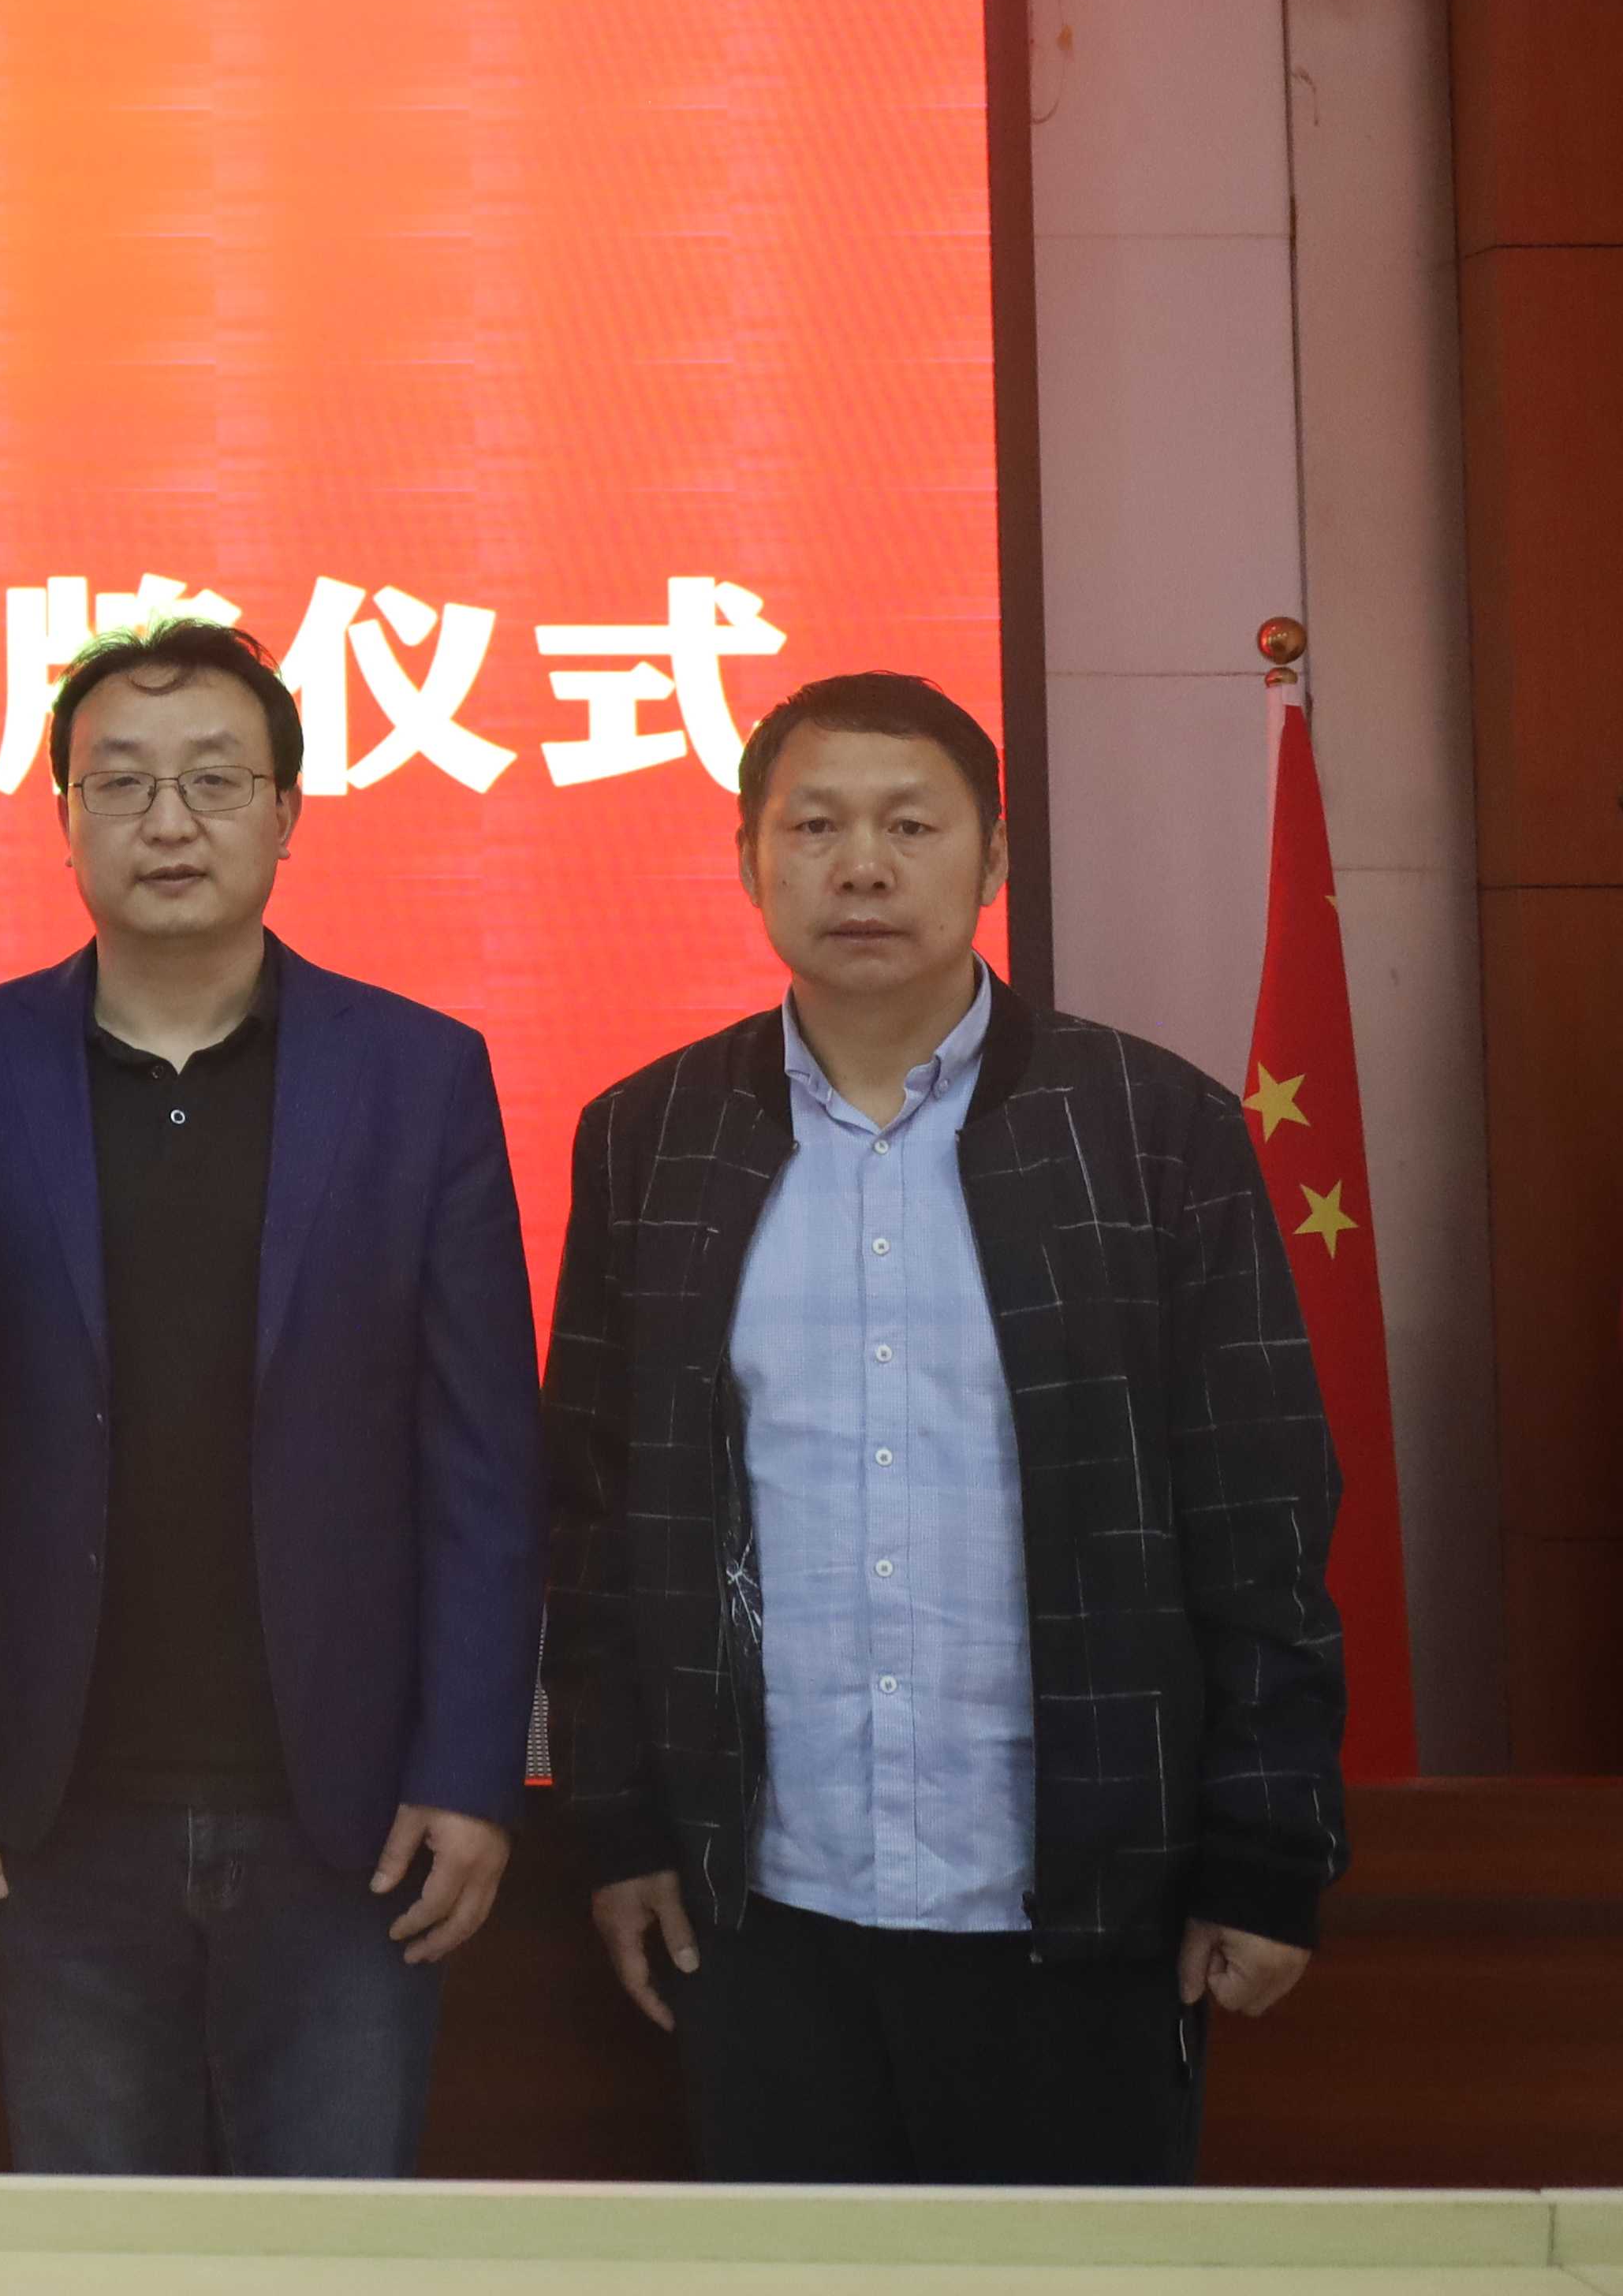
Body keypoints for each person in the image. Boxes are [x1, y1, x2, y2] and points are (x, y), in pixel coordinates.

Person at [545, 671, 1349, 2183]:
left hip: (1088, 1903)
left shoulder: (1152, 1129)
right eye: (816, 828)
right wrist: (623, 1829)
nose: (862, 867)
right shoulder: (651, 1138)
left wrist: (1267, 1848)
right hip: (763, 1907)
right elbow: (595, 1519)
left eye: (911, 826)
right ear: (748, 859)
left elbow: (1262, 1511)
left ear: (992, 860)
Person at [0, 617, 541, 2175]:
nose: (168, 821)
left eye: (216, 779)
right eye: (121, 782)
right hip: (50, 1813)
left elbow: (485, 1461)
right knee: (94, 2263)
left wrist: (469, 1769)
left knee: (331, 2262)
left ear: (288, 812)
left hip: (350, 1817)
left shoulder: (418, 1072)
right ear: (65, 818)